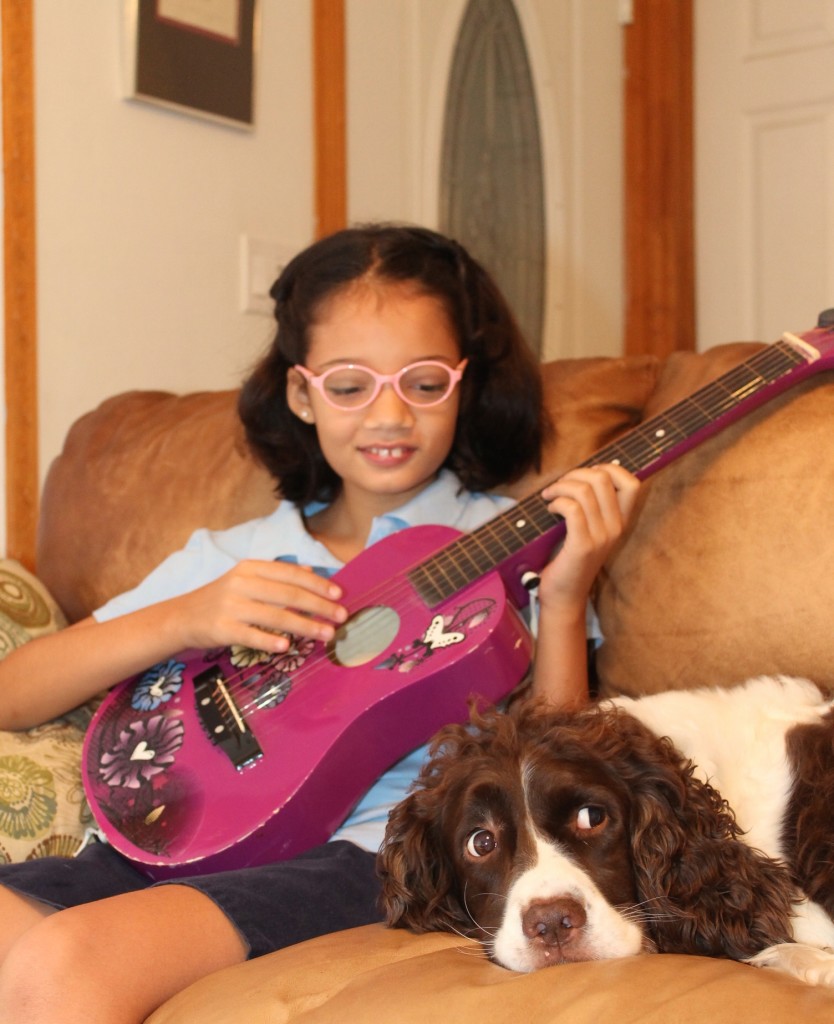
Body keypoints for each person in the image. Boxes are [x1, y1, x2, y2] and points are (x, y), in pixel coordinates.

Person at [0, 224, 639, 1023]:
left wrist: (569, 595)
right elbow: (13, 690)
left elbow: (564, 772)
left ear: (466, 385)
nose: (389, 414)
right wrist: (185, 617)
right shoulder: (236, 556)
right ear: (301, 394)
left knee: (66, 965)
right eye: (349, 386)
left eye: (424, 382)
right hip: (176, 834)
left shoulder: (511, 545)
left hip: (365, 855)